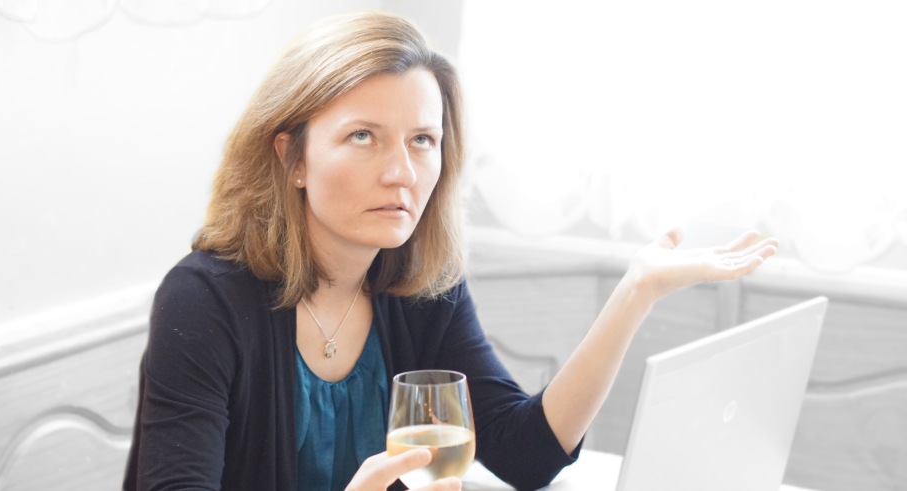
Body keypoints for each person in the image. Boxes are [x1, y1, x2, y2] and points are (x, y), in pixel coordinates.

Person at [122, 10, 779, 491]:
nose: (402, 172)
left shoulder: (420, 285)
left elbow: (524, 453)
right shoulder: (204, 300)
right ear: (291, 155)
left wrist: (636, 290)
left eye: (422, 140)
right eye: (362, 136)